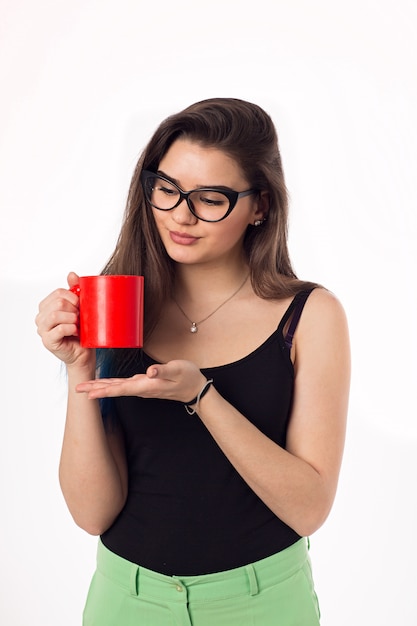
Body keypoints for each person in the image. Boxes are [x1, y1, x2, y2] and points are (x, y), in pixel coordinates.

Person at [35, 97, 350, 626]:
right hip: (127, 599)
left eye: (210, 199)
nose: (181, 215)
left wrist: (202, 397)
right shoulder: (119, 304)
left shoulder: (310, 316)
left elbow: (309, 508)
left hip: (262, 602)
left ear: (260, 206)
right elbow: (93, 514)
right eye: (167, 189)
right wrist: (79, 368)